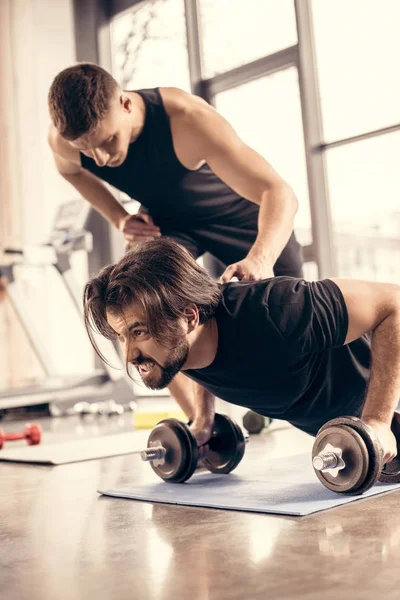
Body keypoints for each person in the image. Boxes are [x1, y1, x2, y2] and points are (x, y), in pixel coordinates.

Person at [47, 61, 303, 414]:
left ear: (125, 104)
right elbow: (71, 172)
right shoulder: (65, 141)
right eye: (89, 150)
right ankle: (201, 423)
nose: (102, 159)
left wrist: (260, 257)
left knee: (291, 318)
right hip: (167, 223)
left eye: (108, 141)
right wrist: (120, 218)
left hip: (241, 216)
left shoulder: (187, 119)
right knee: (141, 302)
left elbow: (280, 193)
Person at [83, 238, 400, 464]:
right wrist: (203, 420)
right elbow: (200, 360)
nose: (130, 355)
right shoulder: (176, 346)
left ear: (190, 317)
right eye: (123, 336)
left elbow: (393, 304)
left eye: (138, 332)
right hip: (357, 437)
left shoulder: (278, 310)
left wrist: (377, 420)